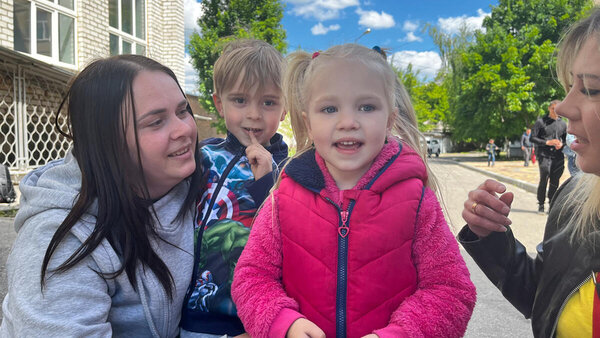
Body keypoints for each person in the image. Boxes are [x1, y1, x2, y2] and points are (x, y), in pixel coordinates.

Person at [231, 44, 476, 338]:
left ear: (390, 119)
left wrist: (400, 333)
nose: (348, 122)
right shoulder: (283, 197)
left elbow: (451, 289)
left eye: (367, 107)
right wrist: (284, 323)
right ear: (308, 122)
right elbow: (251, 277)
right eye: (329, 109)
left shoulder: (417, 199)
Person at [0, 55, 204, 336]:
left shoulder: (201, 186)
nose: (184, 129)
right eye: (156, 122)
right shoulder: (60, 238)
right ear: (107, 142)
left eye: (182, 111)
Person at [458, 8, 600, 337]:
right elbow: (546, 300)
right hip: (547, 158)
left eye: (591, 89)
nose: (563, 108)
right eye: (569, 86)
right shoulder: (575, 200)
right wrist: (491, 237)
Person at [180, 39, 288, 337]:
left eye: (268, 102)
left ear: (284, 109)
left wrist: (266, 181)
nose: (254, 114)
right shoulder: (202, 156)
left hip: (251, 320)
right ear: (219, 103)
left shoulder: (288, 171)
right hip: (192, 314)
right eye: (240, 100)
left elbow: (286, 235)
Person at [530, 100, 567, 213]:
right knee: (544, 177)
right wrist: (547, 142)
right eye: (553, 109)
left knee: (555, 180)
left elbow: (566, 140)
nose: (555, 111)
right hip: (544, 154)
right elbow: (532, 138)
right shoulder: (541, 122)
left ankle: (552, 203)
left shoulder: (563, 123)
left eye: (558, 109)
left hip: (558, 155)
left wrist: (561, 144)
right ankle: (541, 204)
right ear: (549, 108)